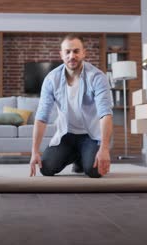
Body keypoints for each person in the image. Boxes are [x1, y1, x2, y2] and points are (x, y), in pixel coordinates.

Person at [29, 34, 113, 178]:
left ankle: (83, 157)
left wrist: (104, 148)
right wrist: (34, 151)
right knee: (46, 168)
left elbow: (105, 114)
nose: (71, 56)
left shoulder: (97, 77)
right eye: (67, 52)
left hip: (91, 135)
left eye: (76, 51)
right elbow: (42, 117)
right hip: (66, 135)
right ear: (61, 55)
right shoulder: (51, 79)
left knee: (94, 171)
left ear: (83, 53)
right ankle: (78, 155)